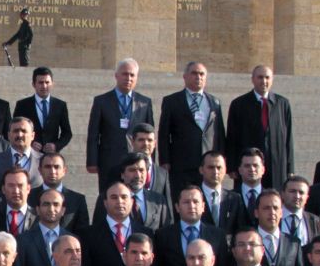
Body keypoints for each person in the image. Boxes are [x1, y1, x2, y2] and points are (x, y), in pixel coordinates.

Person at [85, 58, 154, 193]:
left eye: (132, 75)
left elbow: (150, 134)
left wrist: (151, 161)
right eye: (125, 74)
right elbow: (93, 134)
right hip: (109, 160)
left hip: (136, 162)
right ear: (116, 76)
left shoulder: (145, 103)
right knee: (109, 194)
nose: (128, 78)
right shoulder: (101, 101)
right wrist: (92, 161)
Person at [158, 62, 225, 192]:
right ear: (185, 77)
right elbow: (164, 133)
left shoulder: (214, 102)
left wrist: (221, 158)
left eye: (202, 74)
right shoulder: (172, 101)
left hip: (208, 163)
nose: (198, 77)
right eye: (194, 73)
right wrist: (164, 160)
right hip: (182, 162)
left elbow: (220, 133)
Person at [225, 65, 294, 191]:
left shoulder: (282, 104)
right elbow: (232, 137)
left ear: (272, 79)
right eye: (260, 77)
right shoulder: (239, 104)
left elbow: (288, 138)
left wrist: (290, 168)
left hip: (276, 166)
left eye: (267, 77)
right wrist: (232, 166)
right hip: (249, 166)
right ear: (253, 79)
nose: (264, 81)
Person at [12, 66, 71, 154]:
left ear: (52, 84)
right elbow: (15, 129)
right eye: (40, 82)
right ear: (33, 84)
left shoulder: (60, 105)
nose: (44, 86)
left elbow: (67, 133)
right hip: (29, 153)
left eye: (47, 82)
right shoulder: (22, 105)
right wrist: (30, 142)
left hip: (50, 156)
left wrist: (56, 145)